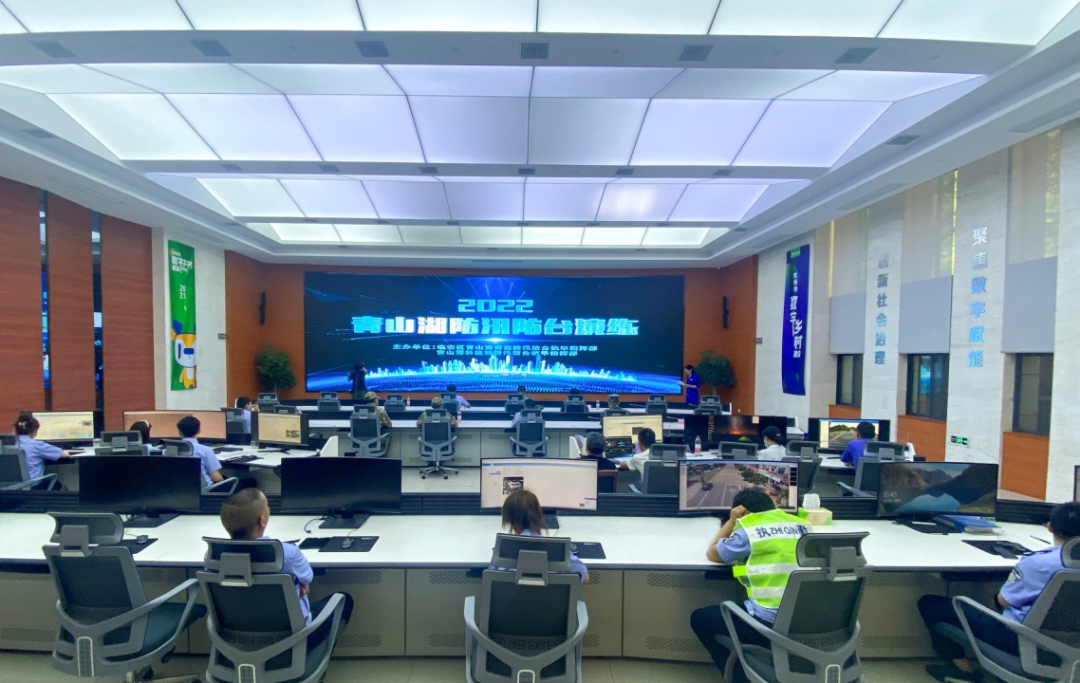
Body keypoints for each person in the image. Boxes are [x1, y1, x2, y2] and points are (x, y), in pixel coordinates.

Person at [916, 501, 1080, 683]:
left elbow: (1000, 602)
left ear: (1049, 527)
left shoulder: (1037, 563)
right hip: (1074, 644)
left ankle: (963, 671)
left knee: (931, 604)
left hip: (1023, 641)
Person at [691, 488, 810, 680]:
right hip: (809, 619)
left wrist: (732, 521)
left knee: (700, 619)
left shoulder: (750, 531)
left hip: (769, 623)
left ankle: (739, 678)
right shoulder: (803, 526)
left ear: (742, 512)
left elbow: (712, 553)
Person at [217, 488, 353, 627]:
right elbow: (307, 578)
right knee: (345, 600)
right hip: (294, 635)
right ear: (262, 520)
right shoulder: (287, 554)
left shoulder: (215, 556)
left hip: (236, 634)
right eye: (267, 505)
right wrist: (298, 581)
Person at [494, 488, 588, 583]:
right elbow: (585, 577)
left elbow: (490, 578)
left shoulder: (502, 549)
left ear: (508, 519)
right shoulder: (558, 549)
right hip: (550, 593)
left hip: (511, 593)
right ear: (539, 514)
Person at [13, 413, 69, 481]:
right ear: (34, 430)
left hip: (10, 485)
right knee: (57, 484)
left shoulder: (8, 443)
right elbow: (63, 454)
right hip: (31, 484)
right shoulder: (36, 445)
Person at [177, 415, 225, 487]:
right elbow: (216, 478)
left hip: (180, 489)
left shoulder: (170, 450)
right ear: (199, 431)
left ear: (179, 432)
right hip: (204, 490)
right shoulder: (205, 450)